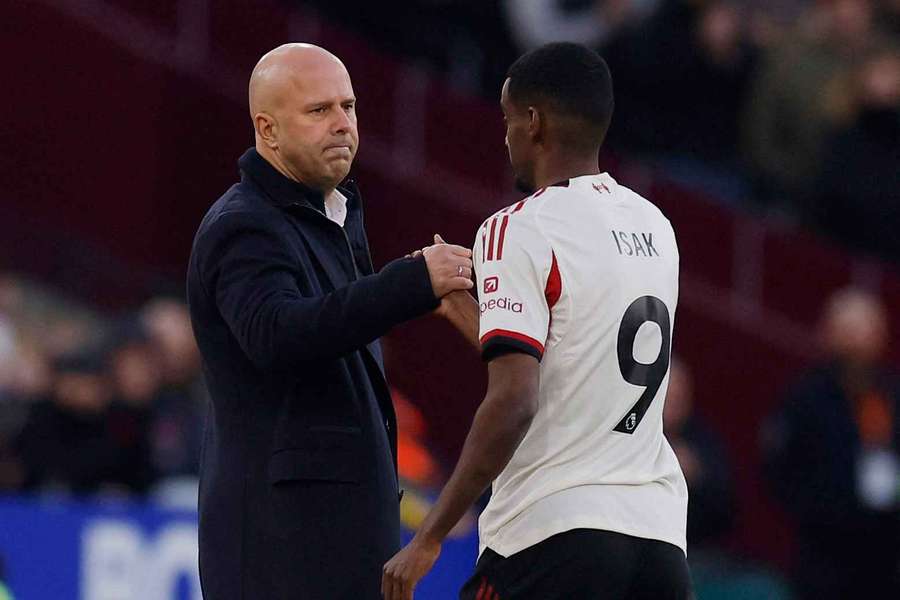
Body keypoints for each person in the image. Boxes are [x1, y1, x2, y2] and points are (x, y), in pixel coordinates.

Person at [383, 42, 691, 600]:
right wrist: (468, 312)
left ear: (533, 122)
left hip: (554, 534)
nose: (505, 139)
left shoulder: (516, 228)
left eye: (506, 121)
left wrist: (430, 535)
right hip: (658, 540)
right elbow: (577, 364)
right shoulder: (656, 226)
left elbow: (515, 401)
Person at [186, 43, 474, 599]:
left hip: (336, 545)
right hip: (284, 549)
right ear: (267, 130)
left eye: (349, 106)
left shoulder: (331, 213)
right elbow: (276, 334)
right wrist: (407, 285)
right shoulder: (244, 225)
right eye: (319, 111)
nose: (343, 124)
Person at [761, 288, 900, 599]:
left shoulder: (891, 395)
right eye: (846, 332)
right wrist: (824, 509)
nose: (854, 343)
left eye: (862, 332)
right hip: (824, 562)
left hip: (886, 560)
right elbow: (777, 471)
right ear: (827, 334)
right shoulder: (804, 399)